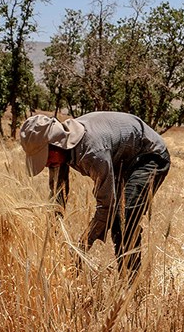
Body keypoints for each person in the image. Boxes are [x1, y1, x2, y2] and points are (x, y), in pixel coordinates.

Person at [20, 112, 171, 281]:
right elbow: (57, 195)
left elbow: (107, 206)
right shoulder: (58, 152)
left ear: (57, 144)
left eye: (46, 156)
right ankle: (127, 280)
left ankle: (131, 284)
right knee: (119, 219)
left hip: (149, 156)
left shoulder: (93, 152)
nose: (46, 163)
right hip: (121, 156)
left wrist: (82, 247)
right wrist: (50, 239)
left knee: (124, 218)